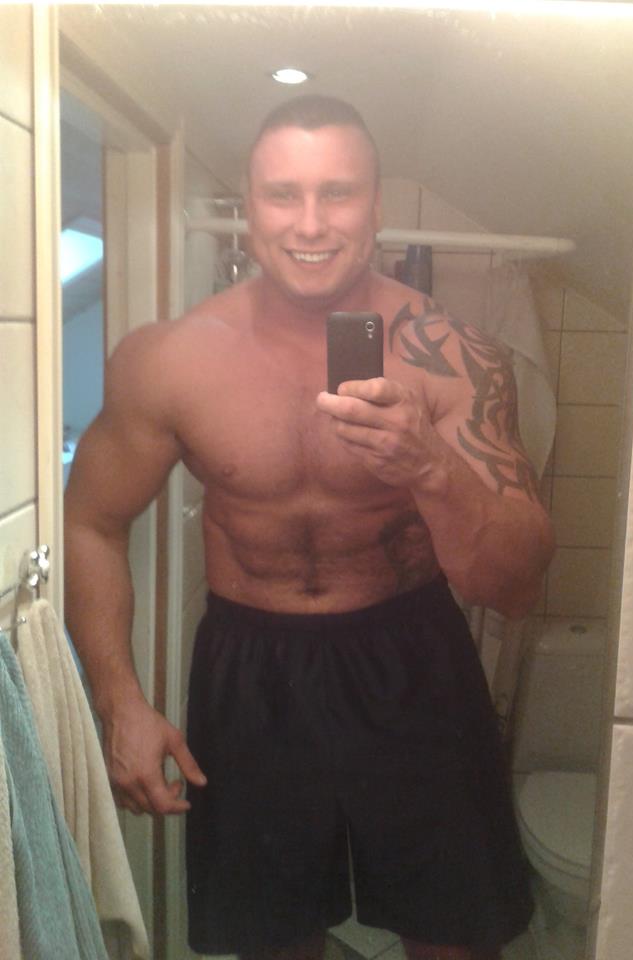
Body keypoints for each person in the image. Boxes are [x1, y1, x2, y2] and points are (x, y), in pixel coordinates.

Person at [64, 95, 554, 960]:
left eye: (339, 192)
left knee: (456, 936)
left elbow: (514, 587)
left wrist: (429, 469)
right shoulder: (171, 357)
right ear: (249, 208)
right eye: (283, 194)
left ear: (377, 206)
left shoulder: (454, 356)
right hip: (253, 668)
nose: (311, 222)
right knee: (274, 942)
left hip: (412, 656)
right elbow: (90, 523)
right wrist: (121, 704)